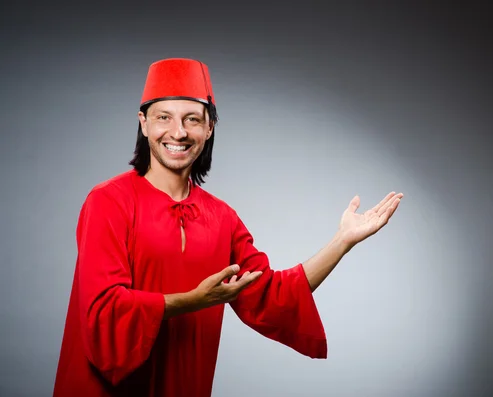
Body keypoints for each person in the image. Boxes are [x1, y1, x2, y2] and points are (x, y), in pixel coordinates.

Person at [52, 58, 403, 397]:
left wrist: (342, 241)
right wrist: (193, 301)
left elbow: (271, 295)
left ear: (209, 128)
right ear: (144, 124)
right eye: (164, 118)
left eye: (192, 119)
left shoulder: (221, 217)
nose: (178, 132)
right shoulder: (108, 201)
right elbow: (102, 311)